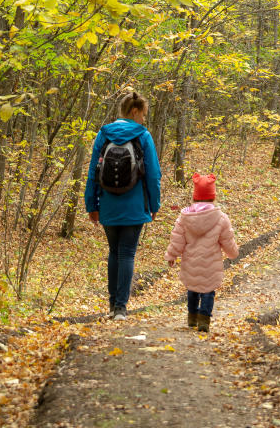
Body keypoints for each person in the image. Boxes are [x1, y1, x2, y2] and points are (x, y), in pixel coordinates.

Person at [85, 91, 162, 320]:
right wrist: (154, 204)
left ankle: (112, 306)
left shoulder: (104, 134)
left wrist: (92, 204)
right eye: (143, 114)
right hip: (135, 205)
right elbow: (153, 175)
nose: (144, 119)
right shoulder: (143, 135)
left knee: (114, 252)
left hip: (108, 204)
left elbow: (92, 172)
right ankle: (121, 308)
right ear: (135, 111)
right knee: (127, 254)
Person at [164, 172, 238, 333]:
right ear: (213, 197)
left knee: (193, 288)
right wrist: (233, 253)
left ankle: (192, 317)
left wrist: (172, 255)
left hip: (191, 262)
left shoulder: (184, 217)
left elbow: (177, 239)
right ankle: (204, 319)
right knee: (208, 291)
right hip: (211, 263)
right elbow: (227, 240)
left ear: (195, 197)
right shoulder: (221, 218)